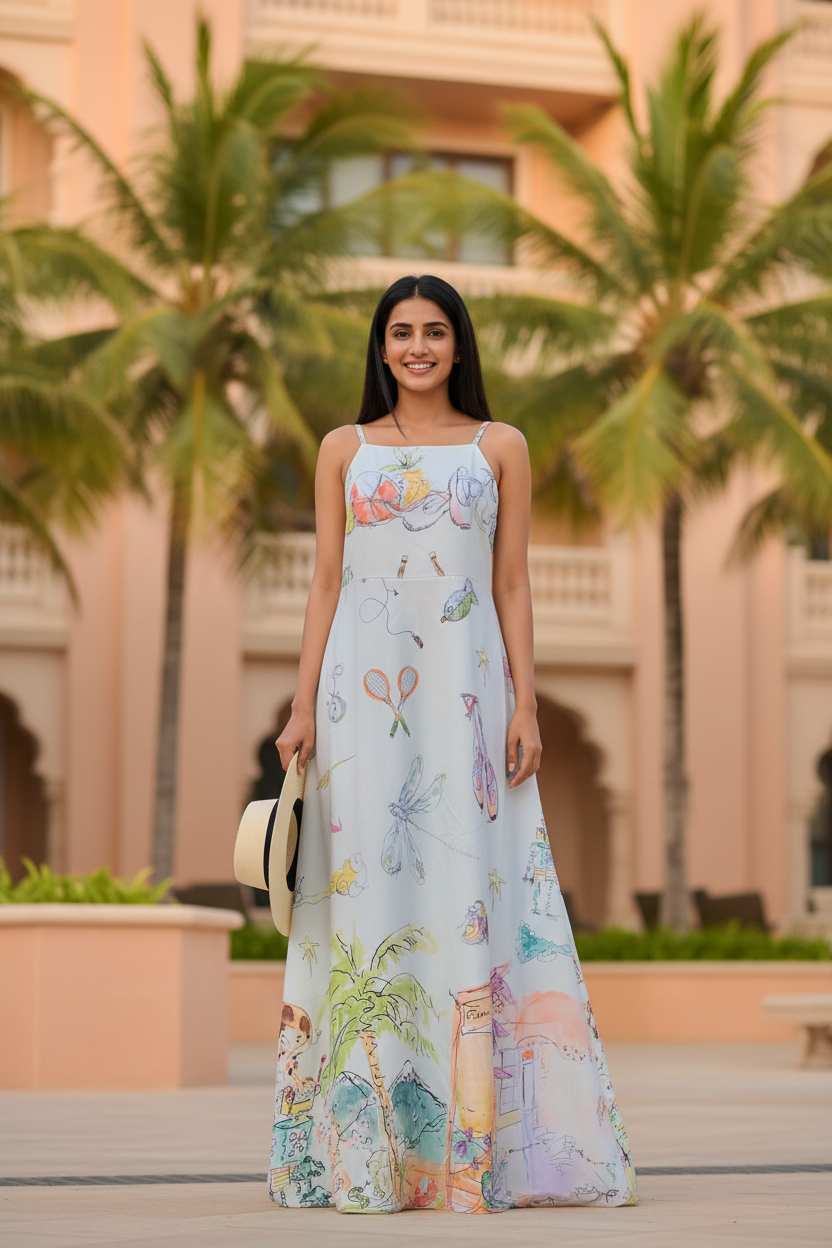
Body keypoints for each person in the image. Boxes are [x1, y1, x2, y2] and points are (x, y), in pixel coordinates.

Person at [269, 274, 636, 1214]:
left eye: (436, 331)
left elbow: (511, 584)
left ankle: (475, 1153)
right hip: (364, 705)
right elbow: (324, 584)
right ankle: (366, 1151)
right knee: (368, 897)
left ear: (459, 344)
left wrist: (527, 704)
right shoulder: (342, 451)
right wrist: (304, 704)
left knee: (473, 889)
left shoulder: (498, 446)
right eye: (402, 333)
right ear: (381, 348)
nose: (419, 347)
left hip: (469, 703)